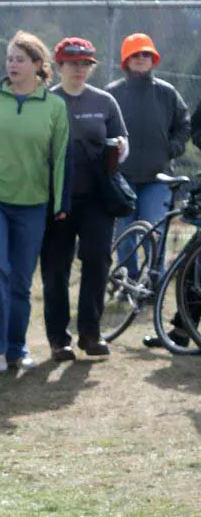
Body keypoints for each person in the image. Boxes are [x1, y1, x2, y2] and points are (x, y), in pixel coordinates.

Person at [0, 30, 71, 373]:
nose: (12, 64)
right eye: (10, 58)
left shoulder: (55, 107)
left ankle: (17, 347)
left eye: (20, 59)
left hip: (34, 204)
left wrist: (59, 203)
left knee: (20, 282)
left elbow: (59, 158)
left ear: (38, 66)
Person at [40, 38, 128, 361]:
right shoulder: (46, 101)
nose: (79, 69)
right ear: (59, 65)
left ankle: (90, 332)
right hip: (56, 198)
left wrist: (119, 147)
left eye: (85, 63)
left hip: (97, 198)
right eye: (72, 63)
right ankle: (58, 339)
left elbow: (123, 142)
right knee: (55, 267)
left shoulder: (105, 102)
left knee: (97, 258)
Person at [106, 33, 190, 237]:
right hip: (122, 178)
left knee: (153, 235)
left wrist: (170, 149)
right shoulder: (112, 93)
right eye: (135, 54)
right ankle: (127, 271)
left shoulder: (167, 93)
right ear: (126, 60)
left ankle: (156, 271)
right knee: (124, 238)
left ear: (153, 59)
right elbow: (101, 130)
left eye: (146, 54)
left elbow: (184, 126)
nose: (141, 58)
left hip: (157, 178)